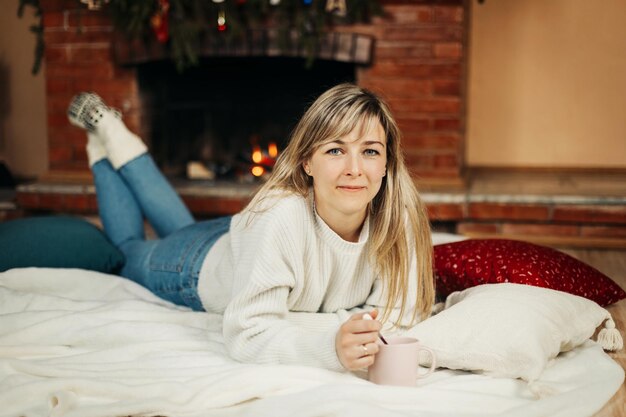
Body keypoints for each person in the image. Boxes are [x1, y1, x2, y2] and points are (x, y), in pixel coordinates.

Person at [67, 83, 434, 372]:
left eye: (370, 151)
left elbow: (397, 317)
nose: (355, 168)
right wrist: (330, 342)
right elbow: (249, 333)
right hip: (198, 267)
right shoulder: (279, 218)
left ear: (387, 163)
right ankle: (103, 139)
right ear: (307, 161)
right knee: (125, 251)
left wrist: (301, 323)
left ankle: (109, 135)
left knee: (180, 227)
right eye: (335, 150)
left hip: (241, 242)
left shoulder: (398, 217)